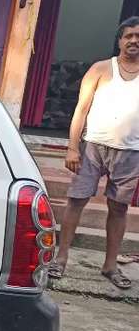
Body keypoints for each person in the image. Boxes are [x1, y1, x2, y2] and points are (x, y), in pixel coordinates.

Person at [51, 15, 139, 289]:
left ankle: (110, 266)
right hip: (93, 148)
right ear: (120, 40)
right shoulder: (101, 69)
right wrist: (72, 148)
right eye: (129, 36)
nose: (134, 41)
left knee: (119, 208)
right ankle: (61, 258)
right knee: (76, 201)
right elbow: (81, 109)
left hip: (131, 152)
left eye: (138, 36)